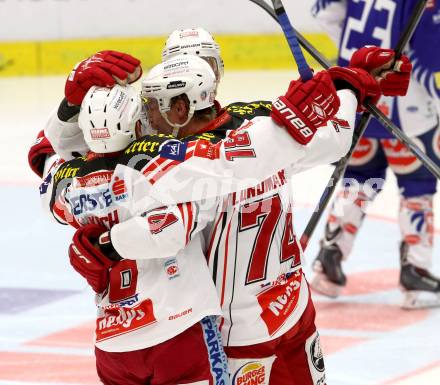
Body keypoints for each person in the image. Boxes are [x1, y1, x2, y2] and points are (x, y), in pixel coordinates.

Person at [98, 48, 406, 384]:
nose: (147, 118)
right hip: (292, 305)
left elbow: (152, 203)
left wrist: (110, 243)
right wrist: (348, 87)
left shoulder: (184, 167)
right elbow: (335, 137)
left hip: (240, 336)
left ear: (180, 109)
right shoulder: (268, 129)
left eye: (153, 106)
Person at [41, 77, 230, 385]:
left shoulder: (68, 187)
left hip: (113, 342)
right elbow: (189, 214)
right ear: (135, 124)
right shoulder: (160, 162)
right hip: (176, 328)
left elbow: (50, 167)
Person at [310, 0, 440, 308]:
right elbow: (432, 54)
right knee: (417, 186)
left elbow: (323, 12)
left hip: (357, 100)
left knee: (358, 180)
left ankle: (329, 258)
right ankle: (415, 271)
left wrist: (357, 57)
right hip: (408, 110)